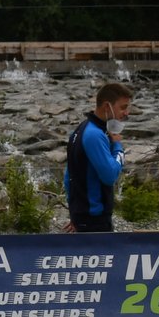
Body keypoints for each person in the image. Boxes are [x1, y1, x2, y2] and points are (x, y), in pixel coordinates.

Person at [63, 82, 133, 233]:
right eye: (123, 107)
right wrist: (118, 147)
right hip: (94, 220)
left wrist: (74, 215)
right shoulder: (95, 135)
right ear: (107, 106)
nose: (126, 113)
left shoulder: (81, 129)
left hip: (83, 218)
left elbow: (68, 177)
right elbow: (110, 176)